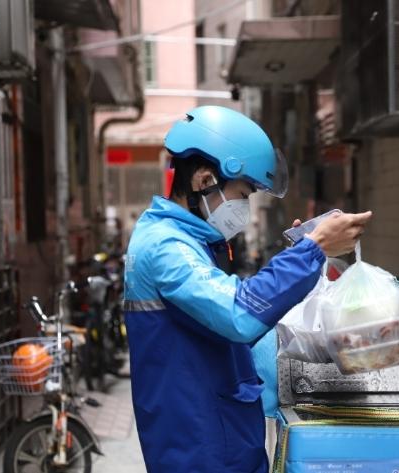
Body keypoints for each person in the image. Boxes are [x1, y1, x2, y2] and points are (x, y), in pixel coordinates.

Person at [123, 106, 371, 473]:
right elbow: (239, 314)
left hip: (218, 437)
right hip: (199, 449)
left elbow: (227, 321)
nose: (244, 207)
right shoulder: (165, 247)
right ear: (205, 180)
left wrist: (308, 259)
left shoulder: (190, 241)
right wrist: (312, 249)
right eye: (243, 193)